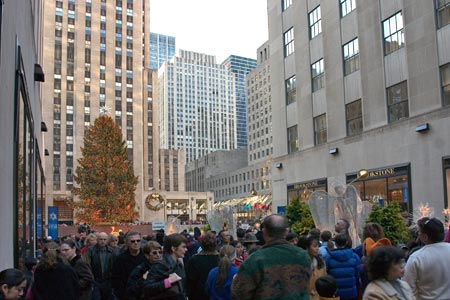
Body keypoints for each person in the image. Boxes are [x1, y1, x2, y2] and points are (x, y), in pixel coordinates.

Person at [231, 214, 311, 300]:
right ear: (287, 231)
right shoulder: (303, 256)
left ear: (264, 232)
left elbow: (239, 294)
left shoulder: (254, 260)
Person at [404, 217, 450, 300]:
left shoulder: (416, 257)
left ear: (425, 236)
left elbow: (407, 288)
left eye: (419, 232)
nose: (418, 235)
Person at [325, 233, 360, 300]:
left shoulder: (328, 257)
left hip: (335, 293)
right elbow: (358, 274)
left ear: (335, 243)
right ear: (346, 242)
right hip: (351, 292)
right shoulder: (354, 256)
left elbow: (325, 273)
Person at [111, 231, 145, 300]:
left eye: (138, 240)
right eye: (132, 241)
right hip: (127, 294)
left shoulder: (146, 256)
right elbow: (116, 280)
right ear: (127, 243)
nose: (136, 243)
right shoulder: (120, 259)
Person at [186, 232, 219, 300]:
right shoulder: (221, 259)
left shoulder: (194, 260)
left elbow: (190, 281)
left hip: (198, 294)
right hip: (217, 294)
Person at [85, 232, 115, 300]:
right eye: (100, 239)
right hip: (95, 280)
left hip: (107, 280)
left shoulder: (111, 251)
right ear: (97, 240)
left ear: (107, 240)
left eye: (104, 239)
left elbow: (114, 266)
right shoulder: (91, 250)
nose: (102, 241)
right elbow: (87, 265)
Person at [299, 236, 327, 300]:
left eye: (318, 246)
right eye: (314, 246)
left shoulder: (321, 261)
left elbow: (325, 278)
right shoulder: (300, 263)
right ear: (307, 248)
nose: (317, 248)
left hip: (319, 296)